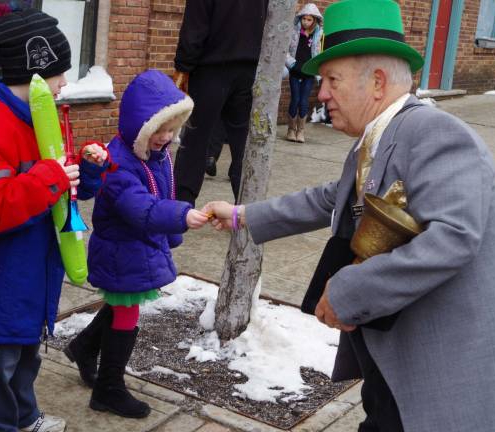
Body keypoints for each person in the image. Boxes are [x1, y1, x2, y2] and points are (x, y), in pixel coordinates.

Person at [203, 0, 495, 430]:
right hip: (394, 358)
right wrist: (243, 216)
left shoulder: (436, 133)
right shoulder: (378, 138)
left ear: (377, 82)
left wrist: (350, 291)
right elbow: (331, 199)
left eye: (331, 80)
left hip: (435, 369)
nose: (321, 93)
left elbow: (454, 237)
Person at [0, 10, 109, 432]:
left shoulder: (45, 117)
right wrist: (51, 177)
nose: (65, 84)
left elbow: (63, 189)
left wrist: (88, 171)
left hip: (34, 272)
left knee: (27, 353)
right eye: (59, 73)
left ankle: (23, 417)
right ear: (35, 70)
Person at [63, 70, 209, 419]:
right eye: (159, 130)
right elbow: (140, 208)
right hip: (121, 251)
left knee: (122, 305)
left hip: (135, 250)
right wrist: (182, 217)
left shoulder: (152, 155)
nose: (167, 137)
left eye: (172, 130)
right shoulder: (119, 165)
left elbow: (162, 191)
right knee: (126, 311)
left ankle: (84, 347)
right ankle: (108, 388)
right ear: (139, 126)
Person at [172, 0, 268, 205]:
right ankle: (247, 209)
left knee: (195, 140)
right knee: (244, 143)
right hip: (249, 67)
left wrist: (183, 66)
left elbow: (195, 25)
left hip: (211, 69)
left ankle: (181, 206)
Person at [284, 3, 323, 143]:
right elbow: (285, 51)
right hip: (295, 71)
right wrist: (292, 64)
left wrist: (317, 70)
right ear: (300, 18)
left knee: (303, 101)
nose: (306, 22)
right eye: (304, 19)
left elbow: (317, 53)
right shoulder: (294, 32)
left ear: (314, 20)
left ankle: (300, 131)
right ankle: (290, 130)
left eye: (309, 19)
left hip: (308, 73)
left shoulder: (317, 35)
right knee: (295, 99)